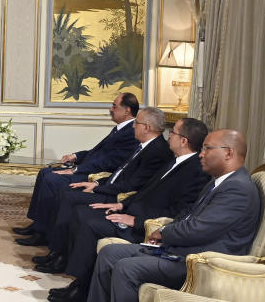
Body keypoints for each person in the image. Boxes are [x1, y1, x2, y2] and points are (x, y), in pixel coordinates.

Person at [65, 129, 261, 302]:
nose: (201, 154)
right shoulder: (219, 183)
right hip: (180, 251)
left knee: (127, 268)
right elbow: (186, 216)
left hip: (200, 264)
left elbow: (199, 229)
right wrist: (166, 231)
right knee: (110, 253)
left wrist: (163, 233)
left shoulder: (238, 189)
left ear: (229, 152)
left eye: (208, 148)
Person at [44, 117, 210, 302]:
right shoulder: (174, 161)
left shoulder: (196, 171)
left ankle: (82, 288)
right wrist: (121, 205)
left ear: (184, 141)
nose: (168, 135)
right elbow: (144, 190)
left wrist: (137, 220)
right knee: (82, 212)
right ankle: (79, 280)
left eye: (173, 133)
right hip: (131, 210)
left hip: (144, 223)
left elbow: (177, 211)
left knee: (90, 222)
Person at [33, 106, 173, 273]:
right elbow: (119, 172)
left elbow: (133, 184)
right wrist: (97, 184)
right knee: (68, 193)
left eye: (137, 123)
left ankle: (61, 255)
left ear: (147, 127)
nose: (133, 126)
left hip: (118, 197)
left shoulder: (157, 151)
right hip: (109, 187)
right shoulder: (143, 145)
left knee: (70, 197)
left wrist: (101, 189)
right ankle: (57, 252)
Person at [13, 93, 140, 246]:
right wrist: (75, 156)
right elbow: (96, 152)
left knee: (52, 179)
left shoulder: (131, 133)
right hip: (88, 169)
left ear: (127, 110)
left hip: (96, 176)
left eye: (114, 106)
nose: (110, 109)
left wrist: (76, 169)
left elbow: (109, 162)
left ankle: (42, 233)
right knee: (44, 172)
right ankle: (37, 224)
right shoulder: (120, 129)